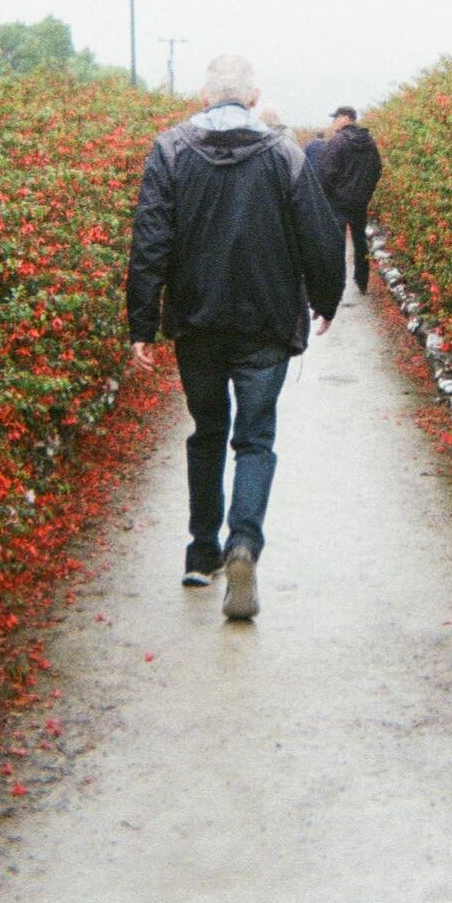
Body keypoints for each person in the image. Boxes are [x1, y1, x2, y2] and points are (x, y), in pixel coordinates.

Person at [127, 54, 344, 620]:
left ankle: (201, 554)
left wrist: (142, 323)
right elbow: (319, 234)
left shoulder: (170, 150)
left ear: (203, 97)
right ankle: (243, 543)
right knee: (254, 439)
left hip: (198, 323)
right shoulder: (283, 153)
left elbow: (151, 240)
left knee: (206, 432)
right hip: (266, 322)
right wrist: (325, 299)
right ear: (252, 98)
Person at [318, 104, 383, 294]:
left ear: (346, 118)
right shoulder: (369, 141)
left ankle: (337, 284)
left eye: (336, 118)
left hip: (338, 202)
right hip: (359, 202)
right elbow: (377, 169)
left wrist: (328, 195)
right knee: (360, 241)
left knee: (336, 243)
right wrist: (366, 193)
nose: (334, 122)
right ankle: (362, 281)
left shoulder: (338, 141)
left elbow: (326, 172)